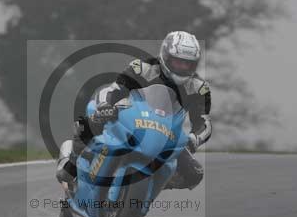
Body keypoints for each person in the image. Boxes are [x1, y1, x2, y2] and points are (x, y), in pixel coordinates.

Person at [56, 31, 211, 190]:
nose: (183, 67)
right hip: (129, 120)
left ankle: (153, 185)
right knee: (89, 122)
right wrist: (106, 106)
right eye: (178, 62)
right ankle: (71, 165)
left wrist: (194, 138)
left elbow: (204, 122)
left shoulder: (199, 88)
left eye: (188, 64)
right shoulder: (142, 68)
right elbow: (114, 90)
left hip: (167, 134)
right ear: (166, 56)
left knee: (195, 174)